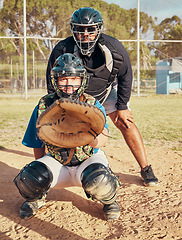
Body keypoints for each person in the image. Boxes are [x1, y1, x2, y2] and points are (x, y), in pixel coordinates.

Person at [45, 7, 158, 187]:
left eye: (90, 29)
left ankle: (146, 169)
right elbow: (52, 79)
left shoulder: (113, 48)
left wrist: (122, 107)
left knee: (125, 122)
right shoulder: (63, 48)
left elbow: (125, 76)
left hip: (106, 92)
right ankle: (48, 167)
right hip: (75, 97)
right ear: (73, 29)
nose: (85, 34)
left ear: (99, 29)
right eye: (80, 29)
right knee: (53, 126)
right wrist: (58, 106)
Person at [13, 53, 121, 221]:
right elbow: (36, 143)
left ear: (82, 80)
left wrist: (89, 136)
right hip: (58, 163)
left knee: (100, 179)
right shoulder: (45, 105)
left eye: (74, 79)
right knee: (32, 176)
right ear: (55, 81)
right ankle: (36, 199)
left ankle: (110, 200)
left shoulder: (92, 104)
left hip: (87, 160)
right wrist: (40, 173)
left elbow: (103, 140)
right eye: (63, 79)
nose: (69, 85)